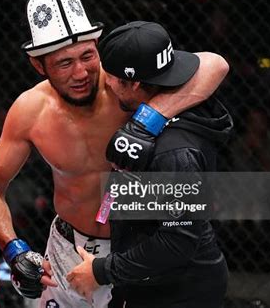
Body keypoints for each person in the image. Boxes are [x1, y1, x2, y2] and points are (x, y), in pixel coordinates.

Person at [0, 0, 229, 308]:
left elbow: (215, 65)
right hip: (68, 248)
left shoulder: (126, 84)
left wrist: (147, 120)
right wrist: (15, 249)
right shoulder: (30, 110)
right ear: (39, 65)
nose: (81, 72)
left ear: (98, 46)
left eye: (87, 56)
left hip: (135, 251)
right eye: (64, 63)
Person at [67, 21, 233, 308]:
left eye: (114, 78)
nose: (106, 82)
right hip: (152, 281)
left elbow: (178, 240)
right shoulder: (182, 100)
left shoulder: (173, 152)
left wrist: (102, 271)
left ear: (135, 83)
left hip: (179, 292)